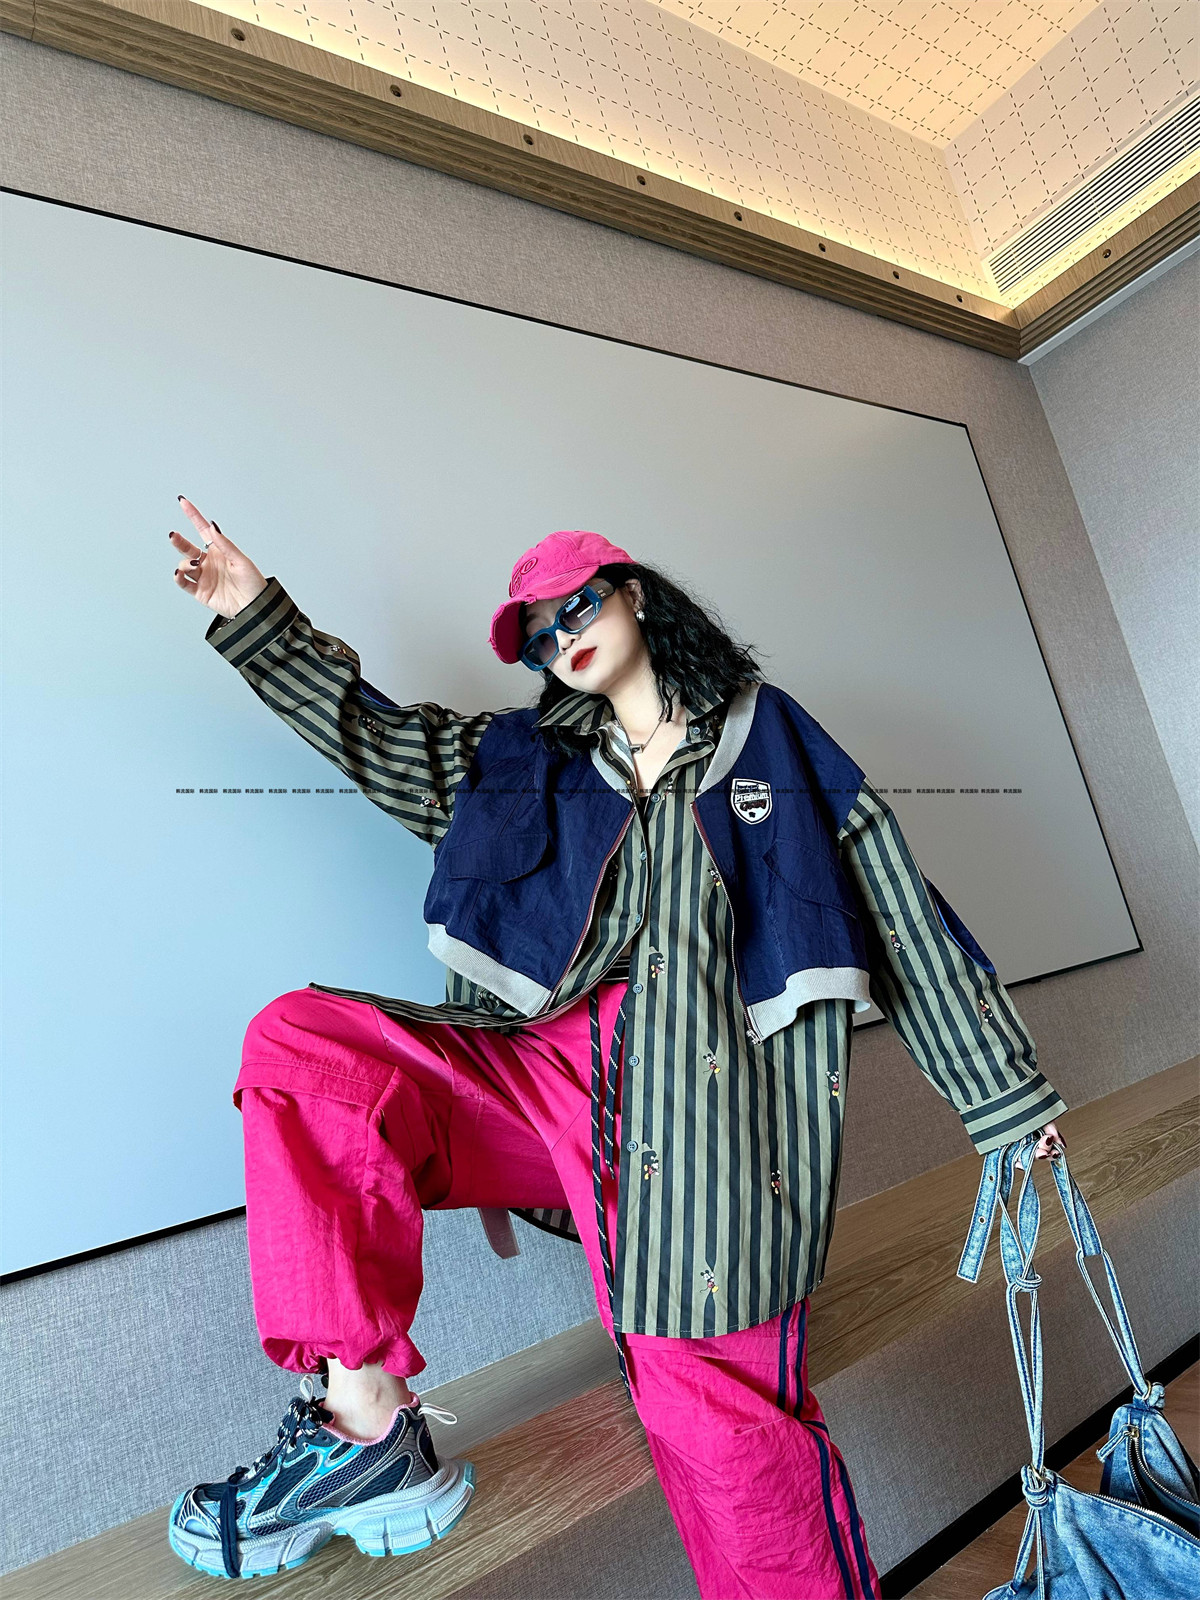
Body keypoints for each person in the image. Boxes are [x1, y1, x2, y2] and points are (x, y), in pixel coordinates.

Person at [165, 498, 1067, 1596]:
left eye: (578, 608)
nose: (564, 639)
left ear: (634, 594)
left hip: (701, 1121)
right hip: (530, 1089)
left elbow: (893, 903)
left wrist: (1005, 1099)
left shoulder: (767, 736)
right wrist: (255, 612)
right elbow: (378, 739)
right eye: (541, 635)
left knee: (715, 1418)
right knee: (303, 1047)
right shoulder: (523, 758)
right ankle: (365, 1426)